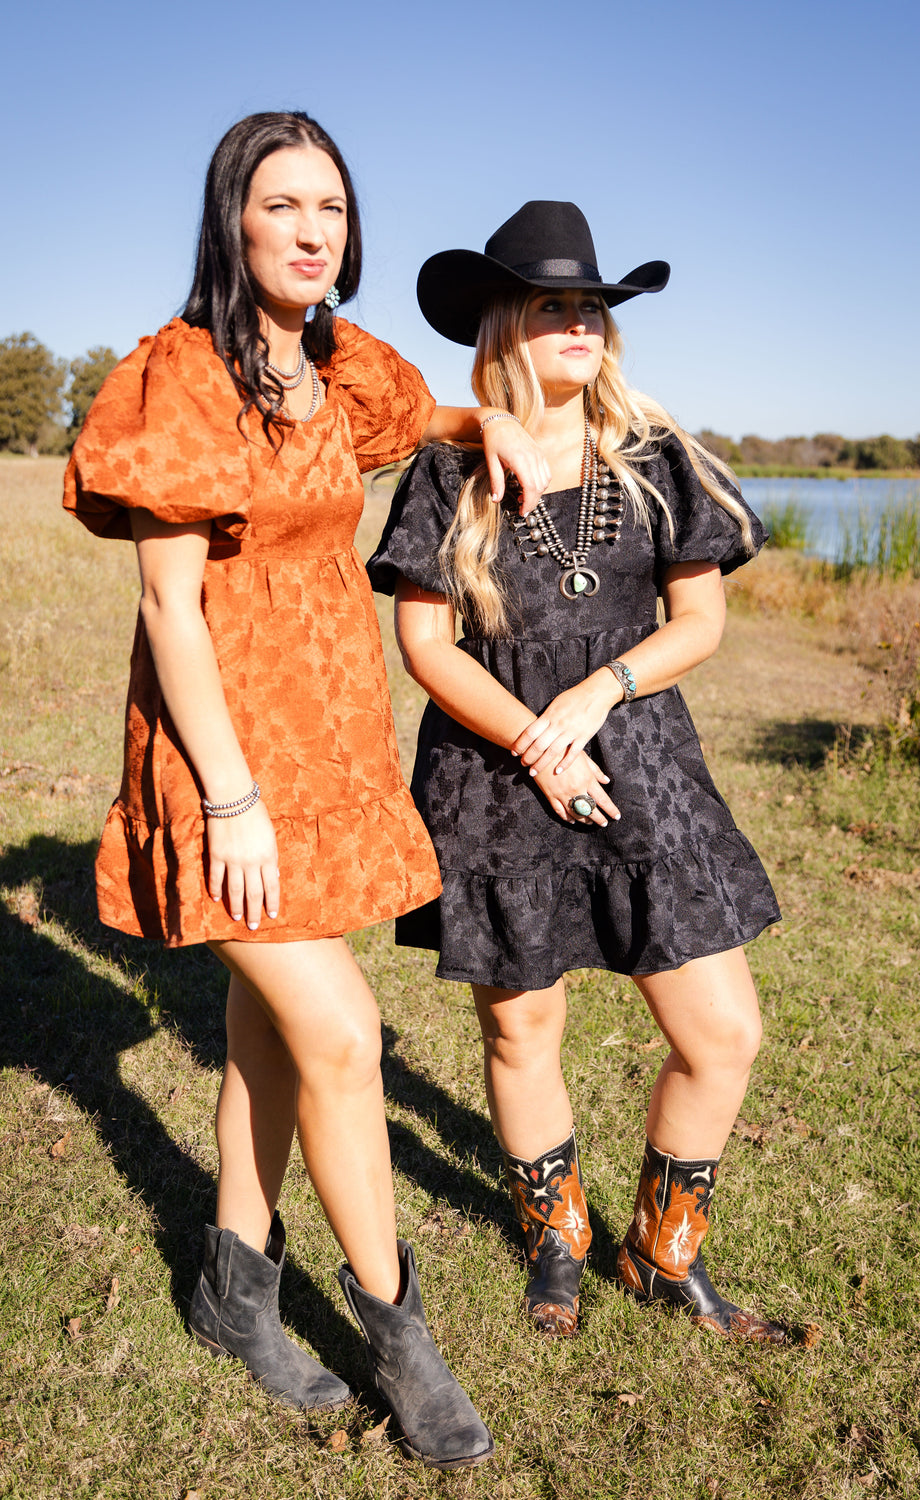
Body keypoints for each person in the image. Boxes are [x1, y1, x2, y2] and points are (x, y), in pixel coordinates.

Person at [64, 113, 551, 1470]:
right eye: (283, 204)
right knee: (340, 1038)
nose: (312, 227)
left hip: (330, 746)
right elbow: (168, 605)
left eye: (330, 205)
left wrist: (490, 423)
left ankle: (232, 1282)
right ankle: (396, 1330)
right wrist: (226, 800)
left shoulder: (340, 368)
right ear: (234, 220)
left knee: (267, 1030)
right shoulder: (178, 375)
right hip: (223, 756)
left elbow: (427, 411)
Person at [367, 200, 786, 1345]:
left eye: (591, 309)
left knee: (721, 1033)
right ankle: (557, 1239)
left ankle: (661, 1254)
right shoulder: (450, 465)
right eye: (552, 307)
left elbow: (696, 622)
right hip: (492, 774)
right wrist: (532, 741)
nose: (579, 327)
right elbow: (423, 643)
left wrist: (597, 697)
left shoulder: (658, 456)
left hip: (640, 759)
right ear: (504, 323)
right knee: (522, 1029)